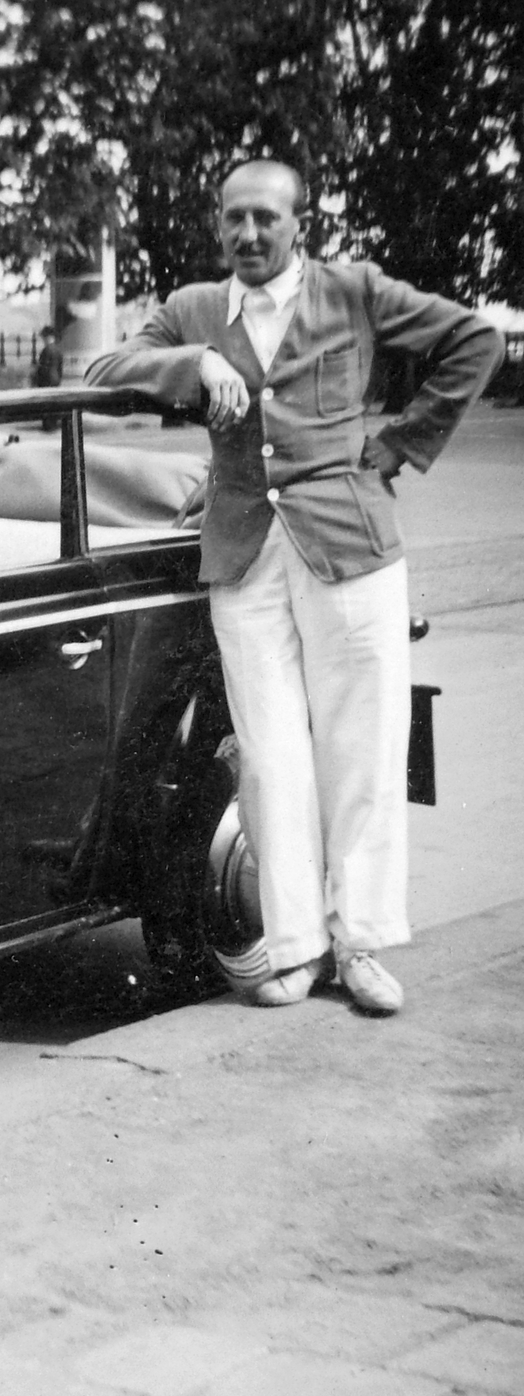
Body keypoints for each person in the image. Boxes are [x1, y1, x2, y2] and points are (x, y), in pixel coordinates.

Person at [86, 158, 502, 1015]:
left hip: (349, 548)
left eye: (264, 220)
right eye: (233, 218)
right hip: (242, 557)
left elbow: (476, 341)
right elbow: (104, 370)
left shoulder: (353, 290)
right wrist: (194, 363)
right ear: (219, 224)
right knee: (271, 761)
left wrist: (402, 443)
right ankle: (295, 948)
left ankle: (360, 945)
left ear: (296, 224)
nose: (247, 234)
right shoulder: (197, 309)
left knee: (362, 749)